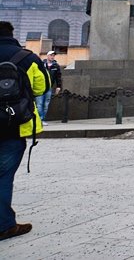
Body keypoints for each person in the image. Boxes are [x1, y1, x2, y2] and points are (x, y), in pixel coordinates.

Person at [0, 21, 46, 241]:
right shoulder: (26, 57)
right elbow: (42, 87)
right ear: (11, 34)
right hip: (14, 125)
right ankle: (5, 225)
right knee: (3, 175)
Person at [37, 51, 62, 125]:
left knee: (46, 105)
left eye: (53, 55)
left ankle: (42, 119)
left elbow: (58, 77)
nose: (52, 57)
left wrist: (58, 86)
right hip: (40, 87)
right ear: (47, 56)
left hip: (49, 88)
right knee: (39, 104)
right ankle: (39, 120)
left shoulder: (56, 66)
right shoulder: (41, 64)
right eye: (51, 55)